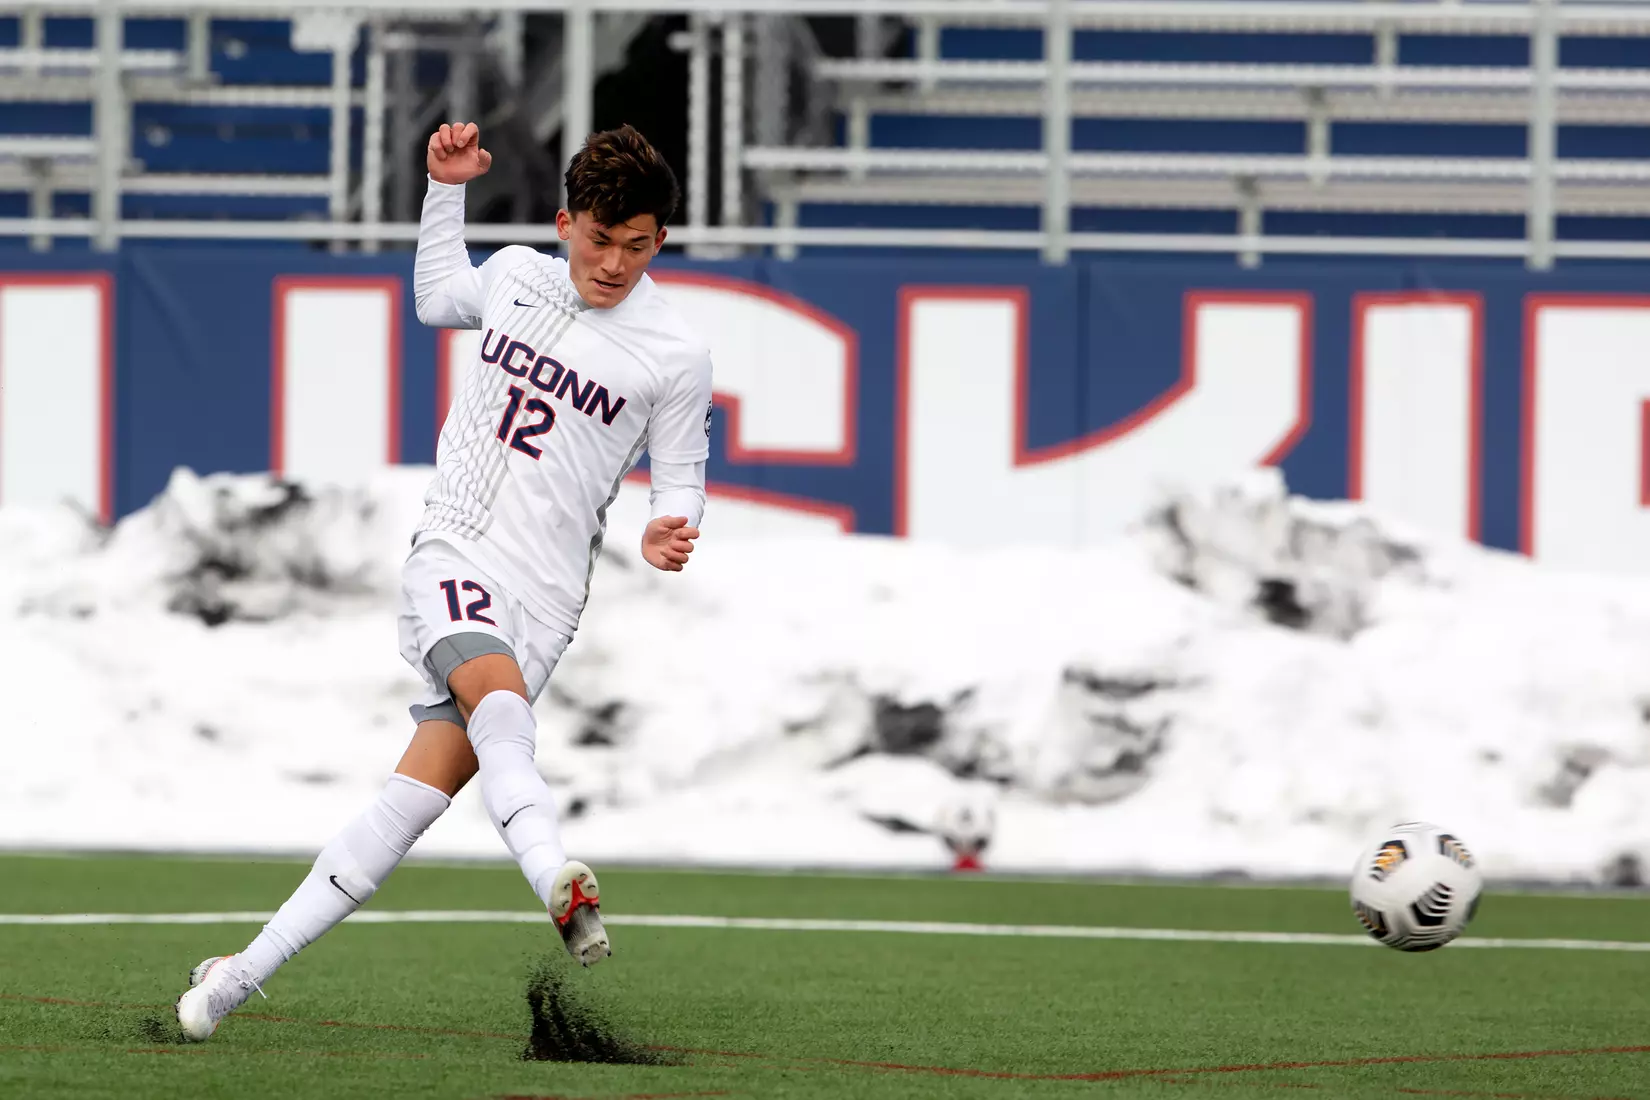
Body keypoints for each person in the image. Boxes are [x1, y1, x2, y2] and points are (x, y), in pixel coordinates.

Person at [175, 122, 714, 1042]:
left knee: (410, 804)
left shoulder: (675, 354)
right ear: (564, 222)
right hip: (456, 550)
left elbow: (681, 474)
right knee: (501, 711)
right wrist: (444, 189)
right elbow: (434, 297)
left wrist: (676, 525)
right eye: (599, 238)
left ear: (659, 240)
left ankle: (232, 978)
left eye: (637, 244)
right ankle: (553, 875)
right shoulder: (514, 275)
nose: (615, 263)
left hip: (546, 599)